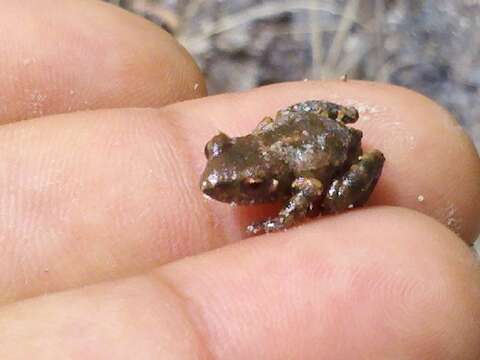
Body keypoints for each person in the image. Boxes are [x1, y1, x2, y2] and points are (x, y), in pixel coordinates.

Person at [0, 1, 479, 359]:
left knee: (330, 199)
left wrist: (282, 220)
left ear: (262, 183)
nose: (215, 183)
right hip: (293, 136)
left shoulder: (290, 176)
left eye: (246, 186)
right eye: (217, 152)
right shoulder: (255, 141)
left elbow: (310, 188)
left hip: (336, 155)